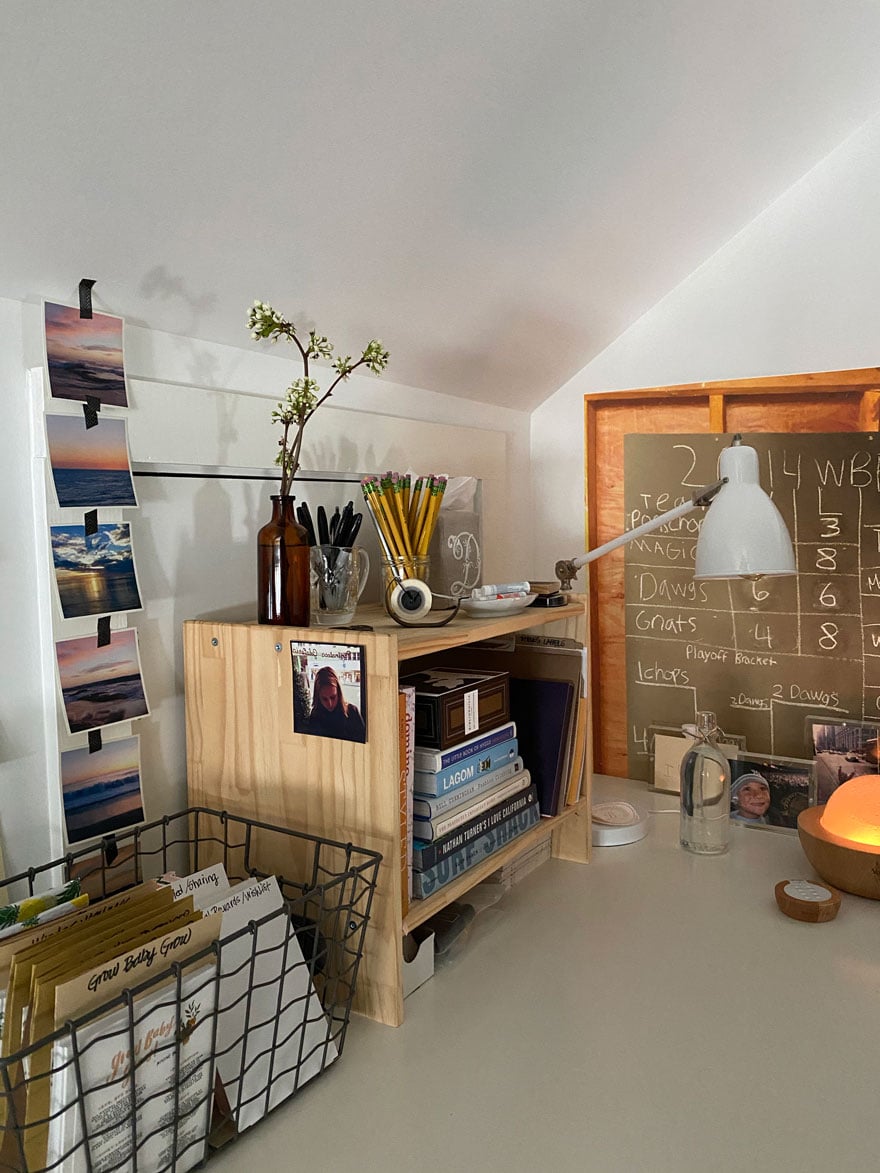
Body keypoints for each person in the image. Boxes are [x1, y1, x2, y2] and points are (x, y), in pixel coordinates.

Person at [307, 665, 366, 742]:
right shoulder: (315, 716)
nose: (330, 703)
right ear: (318, 697)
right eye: (324, 699)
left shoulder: (352, 712)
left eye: (333, 697)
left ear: (339, 693)